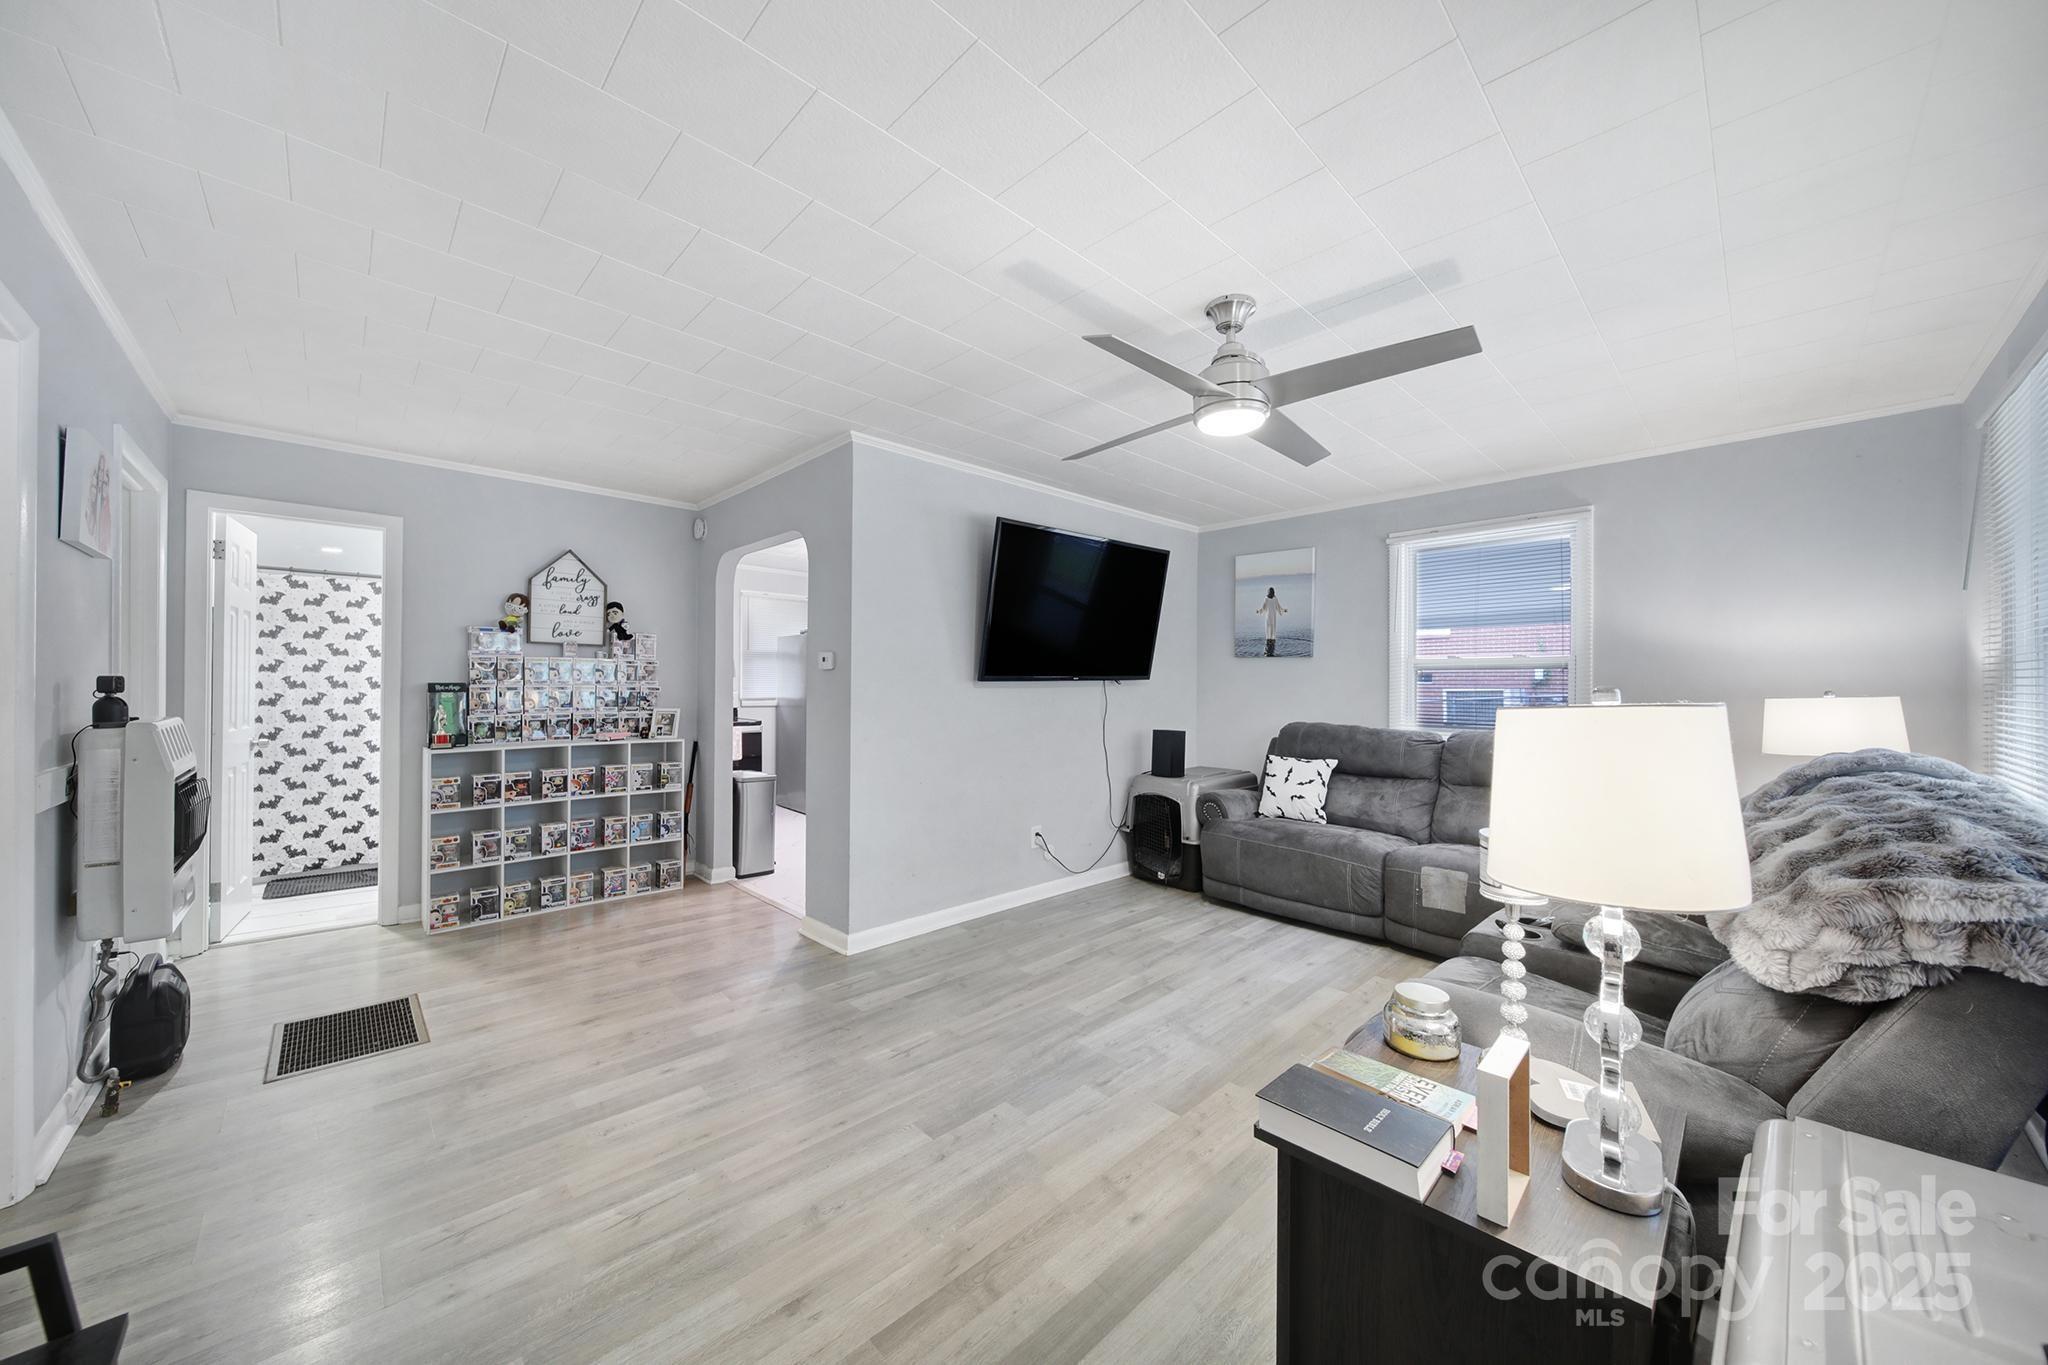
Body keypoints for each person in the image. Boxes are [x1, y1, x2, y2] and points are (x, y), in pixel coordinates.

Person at [1254, 586, 1287, 657]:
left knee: (1273, 629)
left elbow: (1278, 606)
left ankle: (1272, 642)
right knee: (1268, 628)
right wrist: (1259, 611)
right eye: (1271, 592)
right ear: (1269, 592)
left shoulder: (1275, 599)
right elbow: (1263, 607)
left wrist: (1283, 610)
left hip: (1273, 617)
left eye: (1273, 592)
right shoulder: (1266, 599)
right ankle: (1268, 643)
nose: (1272, 593)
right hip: (1268, 617)